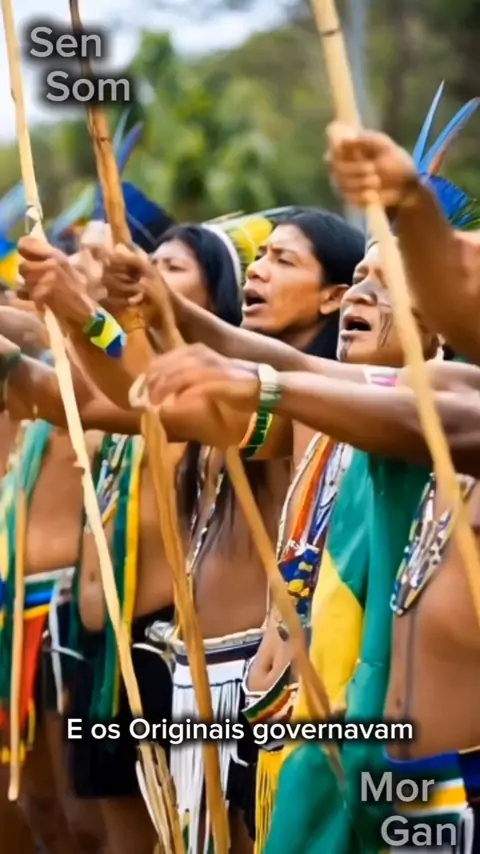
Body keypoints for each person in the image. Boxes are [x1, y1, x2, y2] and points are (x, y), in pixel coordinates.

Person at [325, 82, 480, 366]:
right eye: (358, 279)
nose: (357, 295)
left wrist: (412, 198)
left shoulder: (462, 393)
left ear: (443, 327)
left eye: (393, 281)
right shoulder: (310, 390)